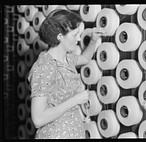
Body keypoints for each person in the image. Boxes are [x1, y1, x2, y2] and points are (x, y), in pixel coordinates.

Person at [28, 9, 102, 139]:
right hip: (55, 134)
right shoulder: (44, 67)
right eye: (75, 35)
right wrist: (75, 100)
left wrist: (93, 40)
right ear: (60, 37)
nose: (79, 39)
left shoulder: (67, 58)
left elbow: (84, 58)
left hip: (74, 132)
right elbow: (38, 119)